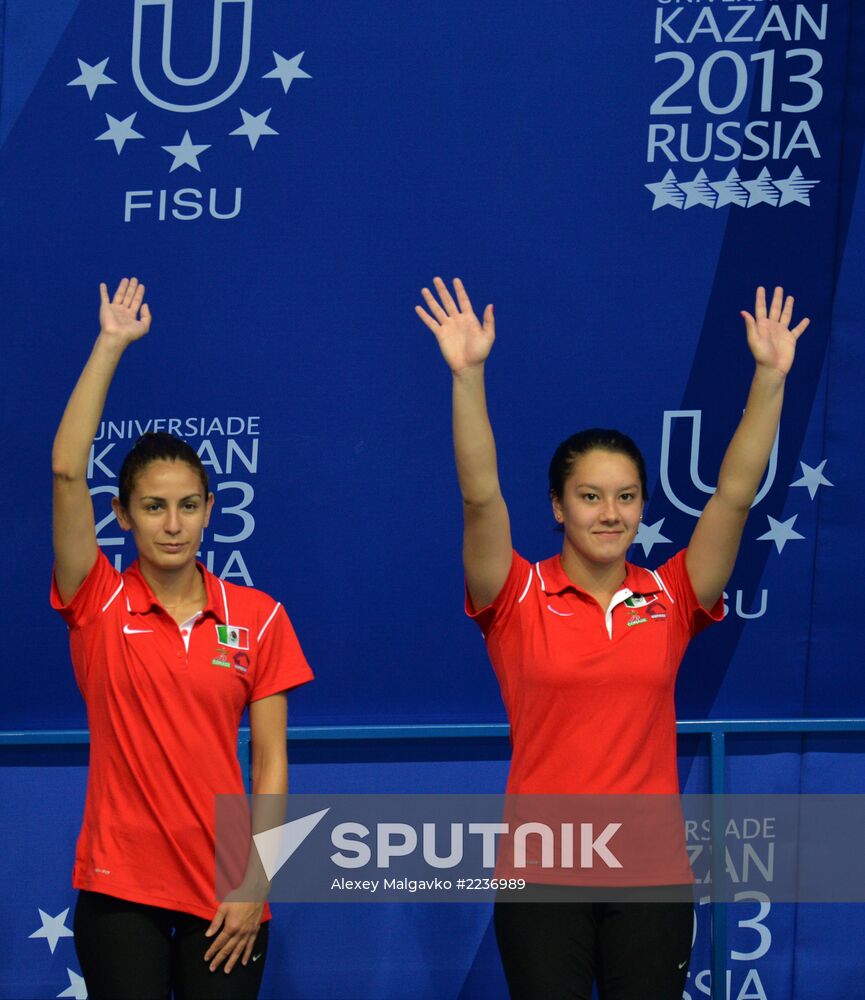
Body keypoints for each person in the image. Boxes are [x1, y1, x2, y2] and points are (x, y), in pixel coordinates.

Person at [415, 278, 808, 999]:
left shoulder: (671, 595)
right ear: (557, 506)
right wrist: (467, 376)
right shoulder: (514, 595)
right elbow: (479, 496)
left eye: (626, 497)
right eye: (590, 496)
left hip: (650, 878)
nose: (610, 513)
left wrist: (770, 379)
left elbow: (733, 496)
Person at [51, 278, 313, 1000]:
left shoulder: (259, 615)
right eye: (154, 507)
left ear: (209, 510)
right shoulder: (98, 601)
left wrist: (255, 882)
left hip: (226, 895)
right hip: (120, 890)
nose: (173, 524)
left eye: (189, 506)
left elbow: (270, 763)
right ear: (122, 514)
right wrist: (110, 345)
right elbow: (67, 470)